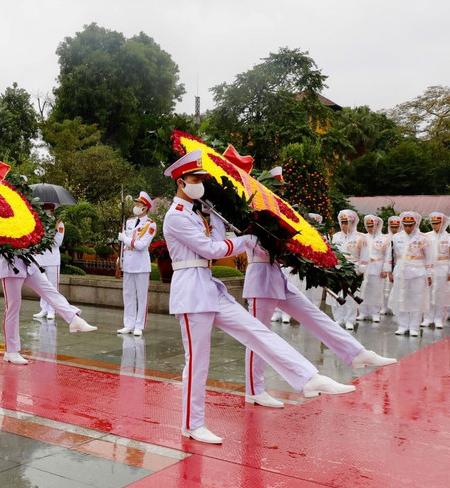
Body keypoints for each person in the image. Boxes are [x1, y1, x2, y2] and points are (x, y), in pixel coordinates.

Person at [162, 149, 353, 445]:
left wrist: (218, 218)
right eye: (195, 177)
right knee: (198, 361)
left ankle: (308, 377)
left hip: (209, 287)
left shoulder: (198, 213)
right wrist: (247, 240)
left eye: (201, 177)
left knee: (257, 331)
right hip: (190, 291)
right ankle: (191, 423)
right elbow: (212, 250)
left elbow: (215, 241)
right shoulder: (175, 217)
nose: (200, 182)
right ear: (180, 182)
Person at [243, 240, 396, 407]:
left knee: (314, 314)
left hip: (278, 276)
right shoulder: (251, 220)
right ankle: (254, 391)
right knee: (257, 337)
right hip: (260, 280)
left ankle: (356, 353)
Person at [0, 253, 97, 364]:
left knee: (49, 290)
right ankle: (11, 351)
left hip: (29, 262)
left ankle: (74, 318)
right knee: (13, 307)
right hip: (11, 265)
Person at [117, 192, 157, 336]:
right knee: (128, 295)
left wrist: (125, 240)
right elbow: (126, 244)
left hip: (141, 264)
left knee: (141, 296)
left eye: (138, 204)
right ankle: (128, 324)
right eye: (136, 204)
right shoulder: (129, 221)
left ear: (145, 208)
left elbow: (141, 245)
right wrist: (120, 257)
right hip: (128, 262)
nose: (136, 206)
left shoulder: (151, 225)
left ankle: (139, 325)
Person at [390, 211, 433, 337]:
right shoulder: (396, 237)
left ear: (416, 224)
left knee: (416, 299)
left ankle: (414, 326)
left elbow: (429, 258)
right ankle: (402, 325)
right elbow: (391, 256)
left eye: (411, 225)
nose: (408, 228)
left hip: (418, 272)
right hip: (400, 271)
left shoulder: (424, 238)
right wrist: (390, 271)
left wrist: (429, 274)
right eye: (405, 225)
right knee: (401, 298)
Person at [329, 210, 367, 330]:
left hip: (353, 269)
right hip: (337, 269)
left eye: (348, 222)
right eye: (343, 222)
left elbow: (365, 255)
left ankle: (350, 320)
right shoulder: (335, 237)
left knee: (352, 295)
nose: (345, 225)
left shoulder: (361, 237)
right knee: (336, 295)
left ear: (354, 223)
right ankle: (338, 319)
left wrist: (361, 270)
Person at [31, 203, 65, 321]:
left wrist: (49, 234)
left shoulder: (58, 224)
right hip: (40, 258)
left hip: (52, 259)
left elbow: (58, 242)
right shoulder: (39, 223)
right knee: (42, 285)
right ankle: (44, 309)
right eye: (44, 208)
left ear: (53, 210)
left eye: (48, 209)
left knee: (52, 286)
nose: (46, 211)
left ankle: (52, 310)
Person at [359, 215, 390, 322]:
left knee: (376, 291)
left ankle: (375, 313)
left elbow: (387, 255)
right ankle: (363, 312)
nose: (370, 228)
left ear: (378, 226)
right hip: (364, 268)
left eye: (372, 226)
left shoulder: (385, 239)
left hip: (378, 268)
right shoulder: (363, 237)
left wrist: (385, 269)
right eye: (368, 226)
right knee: (363, 291)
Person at [426, 212, 450, 329]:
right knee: (428, 293)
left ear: (443, 223)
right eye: (433, 223)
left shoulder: (448, 237)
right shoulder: (426, 237)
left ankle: (439, 318)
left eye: (438, 223)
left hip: (443, 267)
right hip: (430, 267)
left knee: (441, 293)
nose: (435, 226)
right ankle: (428, 318)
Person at [383, 215, 402, 315]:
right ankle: (385, 307)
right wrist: (386, 269)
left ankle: (395, 309)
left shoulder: (401, 238)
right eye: (392, 226)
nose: (394, 229)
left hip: (399, 265)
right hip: (387, 264)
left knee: (397, 288)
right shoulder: (385, 238)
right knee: (386, 287)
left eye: (396, 226)